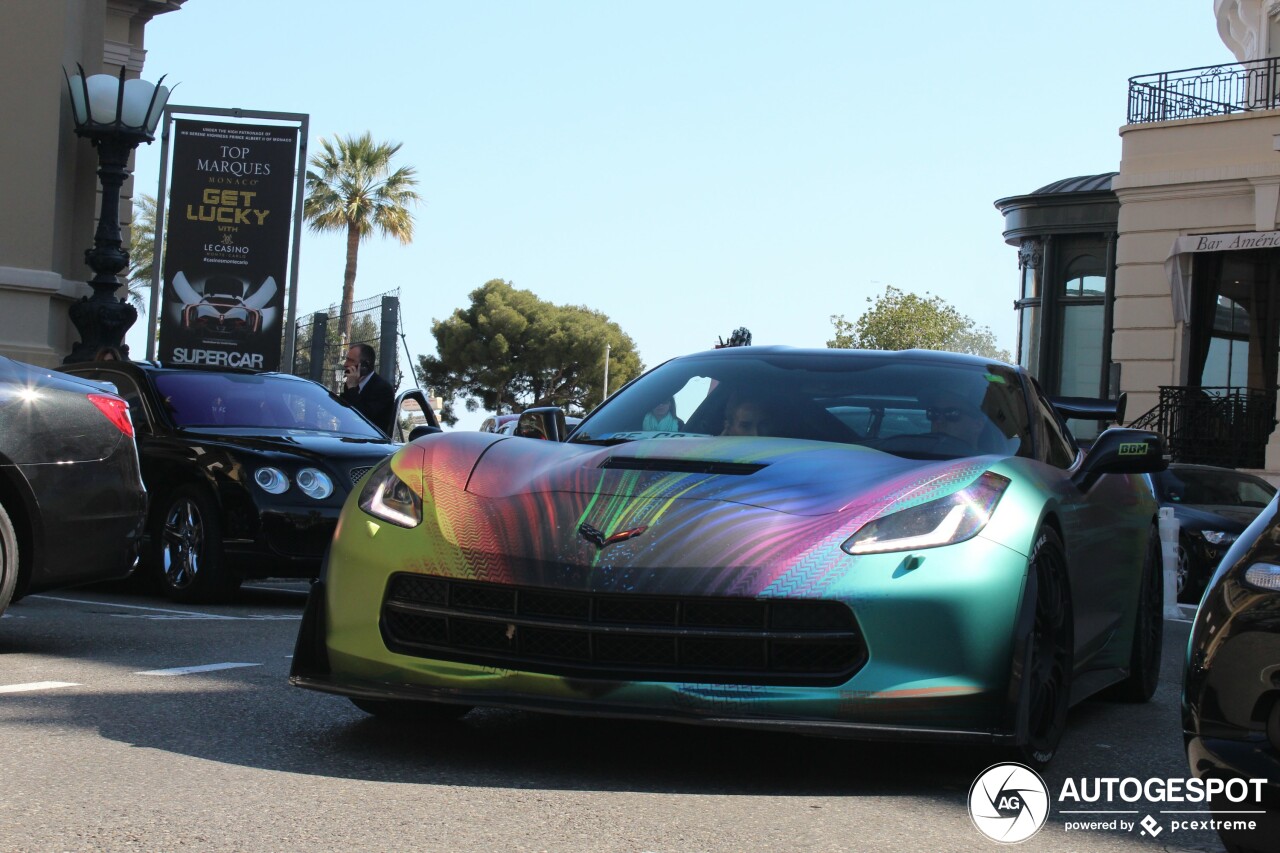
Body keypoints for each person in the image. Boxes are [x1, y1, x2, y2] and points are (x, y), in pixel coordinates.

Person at [340, 343, 395, 433]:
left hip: (369, 442)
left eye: (350, 360)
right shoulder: (349, 384)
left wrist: (352, 389)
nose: (346, 364)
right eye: (346, 360)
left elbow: (362, 418)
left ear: (364, 365)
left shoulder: (383, 389)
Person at [922, 388, 986, 449]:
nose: (939, 421)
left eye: (951, 413)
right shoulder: (915, 454)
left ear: (978, 425)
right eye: (934, 412)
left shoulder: (993, 460)